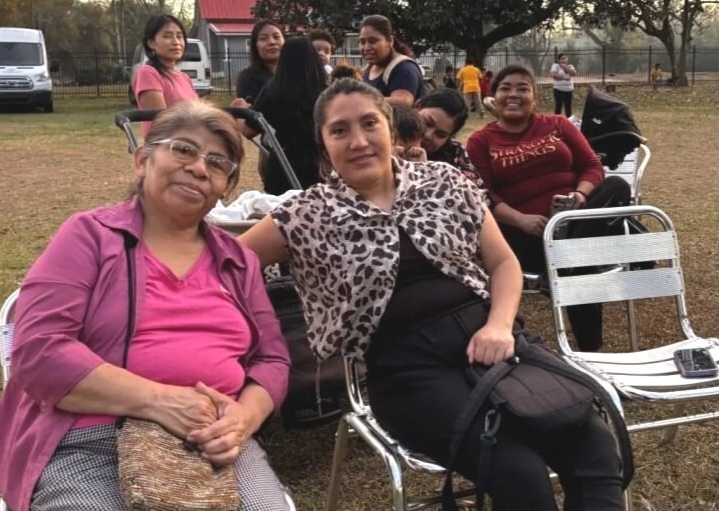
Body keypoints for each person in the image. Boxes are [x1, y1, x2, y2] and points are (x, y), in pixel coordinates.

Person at [239, 78, 625, 511]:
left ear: (391, 128)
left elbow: (503, 263)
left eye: (369, 123)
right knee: (520, 472)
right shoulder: (304, 214)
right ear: (323, 144)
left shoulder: (445, 182)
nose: (359, 140)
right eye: (340, 130)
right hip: (406, 370)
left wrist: (499, 325)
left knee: (594, 446)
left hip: (493, 340)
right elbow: (225, 265)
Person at [0, 102, 292, 511]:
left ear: (222, 189)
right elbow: (39, 350)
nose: (199, 168)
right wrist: (159, 400)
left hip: (215, 443)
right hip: (90, 438)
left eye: (218, 163)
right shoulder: (89, 236)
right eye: (183, 150)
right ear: (143, 160)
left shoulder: (237, 260)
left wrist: (244, 419)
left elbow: (272, 359)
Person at [466, 64, 631, 352]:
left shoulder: (558, 125)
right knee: (580, 261)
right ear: (493, 98)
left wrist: (580, 195)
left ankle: (567, 252)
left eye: (522, 88)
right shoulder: (482, 140)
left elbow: (593, 166)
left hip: (574, 218)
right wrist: (520, 219)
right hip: (525, 233)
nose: (513, 94)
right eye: (505, 88)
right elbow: (482, 195)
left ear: (534, 96)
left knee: (617, 186)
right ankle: (591, 353)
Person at [243, 37, 328, 194]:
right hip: (320, 165)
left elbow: (248, 131)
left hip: (283, 165)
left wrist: (240, 112)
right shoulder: (325, 90)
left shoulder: (273, 89)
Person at [416, 89, 485, 189]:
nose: (428, 135)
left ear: (450, 137)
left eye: (440, 135)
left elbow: (478, 196)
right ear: (417, 107)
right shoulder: (389, 139)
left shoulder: (454, 152)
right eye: (426, 122)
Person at [133, 14, 197, 122]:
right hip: (168, 138)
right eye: (167, 36)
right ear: (151, 43)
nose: (176, 42)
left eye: (179, 36)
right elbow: (161, 122)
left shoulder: (184, 77)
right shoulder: (147, 73)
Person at [359, 14, 423, 107]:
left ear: (390, 41)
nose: (366, 47)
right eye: (362, 42)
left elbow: (403, 102)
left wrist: (359, 101)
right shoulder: (368, 69)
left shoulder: (404, 68)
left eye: (373, 41)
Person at [236, 20, 285, 103]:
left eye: (276, 37)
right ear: (255, 45)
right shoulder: (247, 77)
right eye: (263, 38)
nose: (272, 42)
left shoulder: (296, 73)